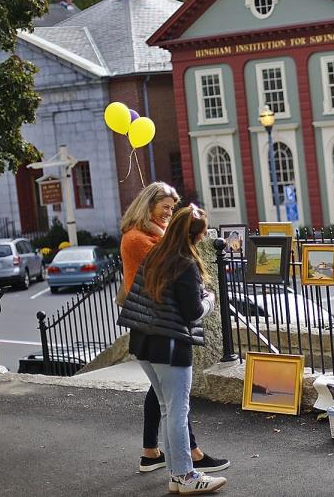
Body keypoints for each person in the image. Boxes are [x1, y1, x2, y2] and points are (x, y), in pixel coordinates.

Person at [119, 183, 228, 475]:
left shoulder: (156, 240)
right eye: (165, 207)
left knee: (166, 400)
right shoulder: (145, 242)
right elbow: (184, 300)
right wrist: (208, 299)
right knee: (175, 408)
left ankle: (158, 456)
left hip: (151, 330)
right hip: (162, 330)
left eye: (172, 208)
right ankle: (185, 467)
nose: (169, 212)